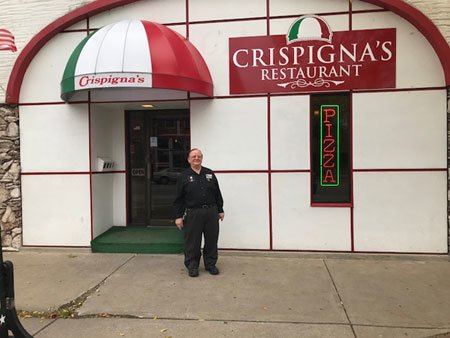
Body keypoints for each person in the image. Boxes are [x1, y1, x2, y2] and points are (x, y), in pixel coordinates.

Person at [173, 148, 225, 277]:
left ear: (202, 158)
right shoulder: (184, 176)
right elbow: (178, 199)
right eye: (194, 156)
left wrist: (220, 210)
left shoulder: (209, 173)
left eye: (199, 156)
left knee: (211, 240)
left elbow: (217, 193)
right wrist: (178, 217)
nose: (196, 158)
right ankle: (192, 266)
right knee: (193, 241)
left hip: (211, 212)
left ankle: (210, 264)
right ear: (189, 159)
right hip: (192, 213)